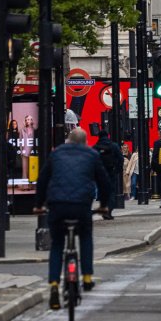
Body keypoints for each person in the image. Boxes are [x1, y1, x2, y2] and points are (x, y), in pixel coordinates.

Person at [34, 128, 111, 310]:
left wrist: (38, 204)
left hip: (57, 205)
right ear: (85, 142)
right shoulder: (92, 155)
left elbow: (43, 180)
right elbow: (104, 182)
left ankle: (54, 284)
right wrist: (104, 205)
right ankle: (87, 277)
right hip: (81, 206)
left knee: (57, 244)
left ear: (68, 140)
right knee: (85, 236)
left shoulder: (56, 154)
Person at [94, 130, 124, 219]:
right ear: (108, 136)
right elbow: (121, 158)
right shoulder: (114, 146)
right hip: (111, 171)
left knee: (101, 191)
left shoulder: (95, 147)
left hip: (99, 173)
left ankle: (103, 208)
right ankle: (109, 211)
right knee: (111, 192)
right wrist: (117, 170)